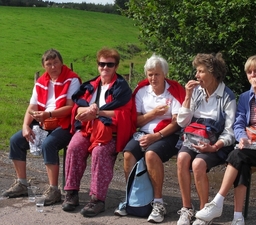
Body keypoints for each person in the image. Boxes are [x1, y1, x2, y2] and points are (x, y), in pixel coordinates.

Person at [195, 54, 256, 225]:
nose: (253, 75)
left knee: (237, 156)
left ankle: (217, 202)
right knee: (241, 161)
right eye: (249, 72)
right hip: (249, 147)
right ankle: (238, 217)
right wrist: (243, 138)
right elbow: (238, 124)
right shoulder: (245, 97)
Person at [61, 47, 135, 218]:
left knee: (100, 152)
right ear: (98, 65)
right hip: (88, 128)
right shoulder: (90, 86)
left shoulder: (121, 89)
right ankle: (71, 192)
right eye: (102, 64)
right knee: (74, 146)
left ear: (116, 66)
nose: (105, 68)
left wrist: (98, 113)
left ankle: (97, 199)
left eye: (110, 64)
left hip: (109, 132)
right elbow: (77, 108)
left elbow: (123, 113)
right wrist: (85, 110)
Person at [1, 49, 81, 205]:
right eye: (49, 64)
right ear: (44, 66)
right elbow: (32, 106)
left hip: (64, 123)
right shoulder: (41, 82)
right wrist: (25, 125)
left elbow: (71, 108)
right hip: (43, 121)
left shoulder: (72, 79)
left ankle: (54, 190)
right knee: (16, 140)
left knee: (49, 144)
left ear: (61, 63)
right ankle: (22, 184)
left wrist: (48, 114)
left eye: (55, 62)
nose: (53, 67)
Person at [114, 54, 185, 223]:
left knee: (151, 155)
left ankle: (158, 203)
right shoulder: (141, 91)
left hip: (167, 135)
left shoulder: (174, 91)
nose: (153, 78)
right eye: (150, 74)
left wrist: (156, 136)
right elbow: (136, 120)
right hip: (144, 133)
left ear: (164, 74)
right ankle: (132, 199)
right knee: (128, 154)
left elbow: (177, 123)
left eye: (157, 74)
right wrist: (153, 114)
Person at [176, 53, 236, 225]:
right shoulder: (196, 92)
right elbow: (182, 122)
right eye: (197, 71)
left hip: (216, 143)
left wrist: (215, 146)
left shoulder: (227, 96)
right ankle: (187, 209)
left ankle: (203, 213)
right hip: (194, 138)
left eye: (200, 71)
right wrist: (187, 96)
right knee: (182, 158)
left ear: (213, 73)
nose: (196, 76)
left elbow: (230, 132)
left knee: (198, 164)